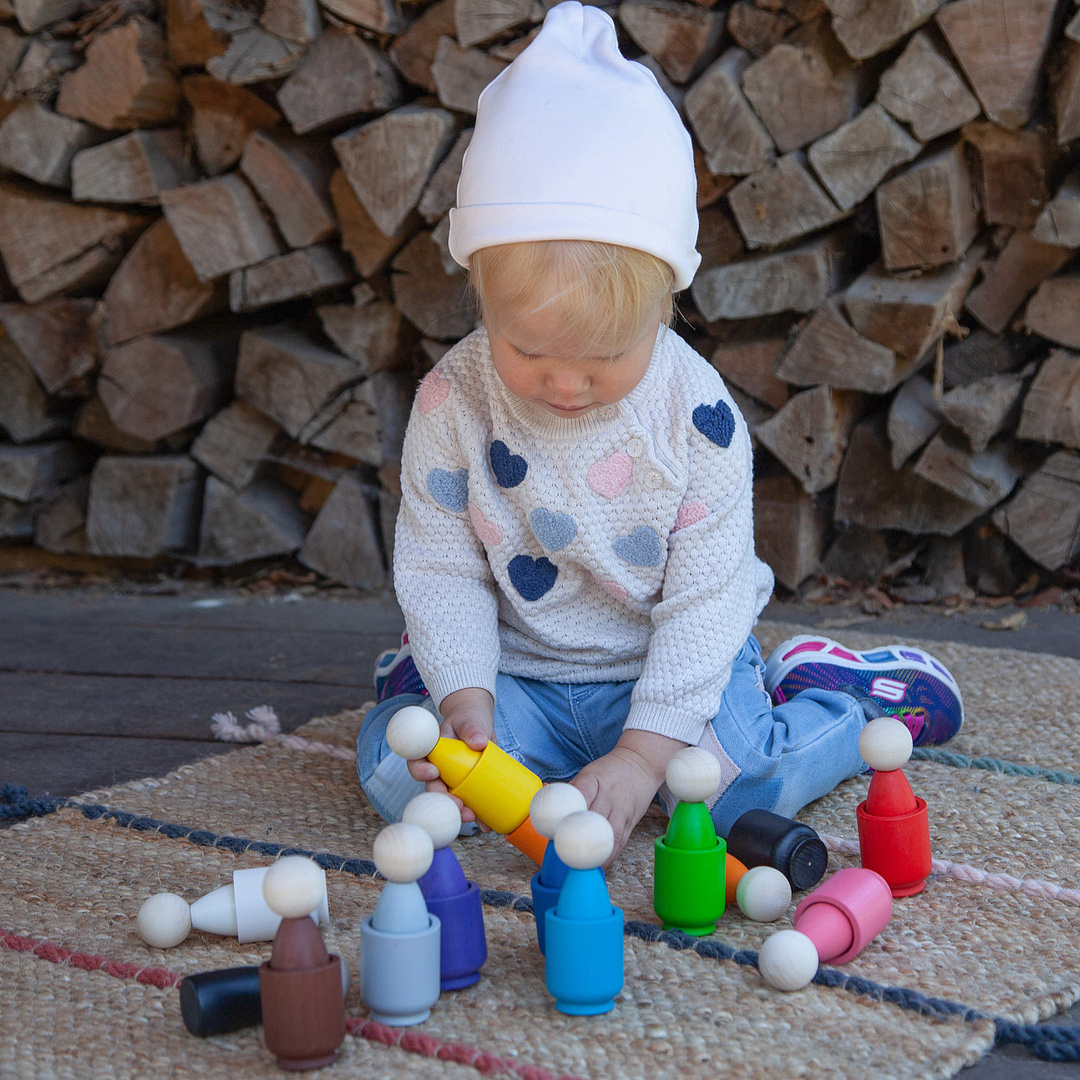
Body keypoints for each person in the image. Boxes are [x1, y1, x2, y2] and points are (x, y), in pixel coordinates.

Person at [356, 0, 963, 862]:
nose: (566, 383)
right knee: (397, 772)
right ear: (478, 291)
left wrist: (646, 754)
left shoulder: (697, 417)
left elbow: (705, 600)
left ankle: (837, 700)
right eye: (528, 349)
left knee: (732, 787)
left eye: (606, 356)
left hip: (672, 668)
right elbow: (441, 562)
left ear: (665, 305)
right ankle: (435, 676)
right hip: (520, 677)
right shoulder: (453, 400)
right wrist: (464, 693)